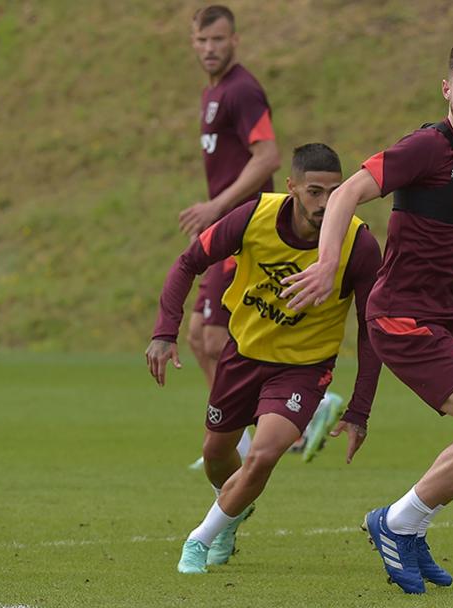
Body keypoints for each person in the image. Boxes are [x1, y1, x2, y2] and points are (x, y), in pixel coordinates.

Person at [280, 37, 453, 594]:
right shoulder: (426, 147)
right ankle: (397, 523)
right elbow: (347, 193)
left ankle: (408, 527)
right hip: (403, 316)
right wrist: (327, 264)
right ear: (446, 90)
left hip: (448, 315)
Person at [146, 143, 382, 573]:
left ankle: (199, 539)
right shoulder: (254, 216)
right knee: (217, 454)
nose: (325, 203)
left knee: (264, 454)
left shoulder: (359, 244)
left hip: (303, 368)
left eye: (335, 191)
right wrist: (165, 332)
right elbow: (187, 263)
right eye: (314, 191)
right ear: (291, 187)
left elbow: (372, 329)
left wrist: (360, 408)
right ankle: (233, 512)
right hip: (244, 354)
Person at [182, 5, 281, 466]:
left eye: (217, 40)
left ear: (234, 40)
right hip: (225, 225)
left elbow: (268, 157)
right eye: (201, 41)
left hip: (244, 226)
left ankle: (308, 407)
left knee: (218, 335)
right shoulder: (212, 93)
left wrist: (217, 208)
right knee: (199, 333)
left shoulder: (242, 90)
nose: (209, 49)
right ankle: (235, 441)